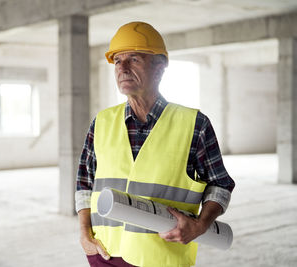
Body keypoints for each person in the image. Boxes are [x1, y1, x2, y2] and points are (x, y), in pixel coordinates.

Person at [75, 21, 235, 267]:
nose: (123, 68)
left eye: (134, 59)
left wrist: (200, 225)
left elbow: (220, 185)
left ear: (160, 68)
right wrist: (85, 234)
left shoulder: (194, 124)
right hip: (104, 255)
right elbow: (85, 185)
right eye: (118, 61)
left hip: (162, 258)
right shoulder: (102, 122)